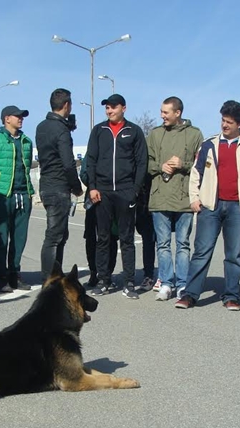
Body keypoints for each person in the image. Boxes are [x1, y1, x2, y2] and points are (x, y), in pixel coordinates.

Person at [175, 100, 240, 310]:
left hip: (238, 207)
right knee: (201, 252)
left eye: (229, 122)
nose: (224, 125)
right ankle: (190, 294)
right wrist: (195, 198)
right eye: (223, 120)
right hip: (210, 206)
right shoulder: (209, 144)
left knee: (234, 254)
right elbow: (196, 172)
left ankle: (231, 296)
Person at [85, 93, 148, 299]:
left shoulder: (134, 131)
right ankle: (104, 280)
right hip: (102, 193)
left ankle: (129, 283)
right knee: (102, 238)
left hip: (125, 192)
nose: (109, 110)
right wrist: (93, 187)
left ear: (124, 108)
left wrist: (134, 190)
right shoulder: (98, 131)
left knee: (126, 239)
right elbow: (91, 160)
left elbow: (141, 163)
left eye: (113, 107)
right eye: (107, 108)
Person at [146, 96, 203, 301]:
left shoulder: (195, 134)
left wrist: (183, 163)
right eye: (161, 112)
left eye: (166, 112)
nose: (162, 116)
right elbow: (146, 162)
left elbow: (202, 165)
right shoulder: (154, 134)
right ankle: (166, 282)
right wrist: (159, 166)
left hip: (184, 199)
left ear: (177, 113)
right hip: (159, 198)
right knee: (162, 243)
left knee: (183, 244)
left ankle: (182, 284)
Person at [0, 105, 34, 292]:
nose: (21, 118)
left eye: (22, 116)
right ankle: (2, 275)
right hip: (4, 195)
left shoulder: (26, 141)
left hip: (24, 194)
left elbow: (27, 167)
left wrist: (27, 192)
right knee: (2, 236)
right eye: (17, 116)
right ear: (6, 118)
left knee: (19, 238)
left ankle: (15, 273)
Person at [36, 88, 84, 281]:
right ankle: (50, 280)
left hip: (46, 185)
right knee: (55, 237)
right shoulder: (61, 130)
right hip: (58, 188)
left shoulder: (41, 126)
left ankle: (54, 276)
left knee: (57, 236)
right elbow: (68, 163)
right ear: (66, 105)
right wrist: (77, 187)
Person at [80, 154, 118, 286]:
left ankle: (107, 273)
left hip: (113, 198)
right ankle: (93, 272)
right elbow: (84, 173)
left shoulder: (116, 150)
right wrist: (94, 186)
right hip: (93, 199)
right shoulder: (92, 150)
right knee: (91, 237)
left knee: (111, 236)